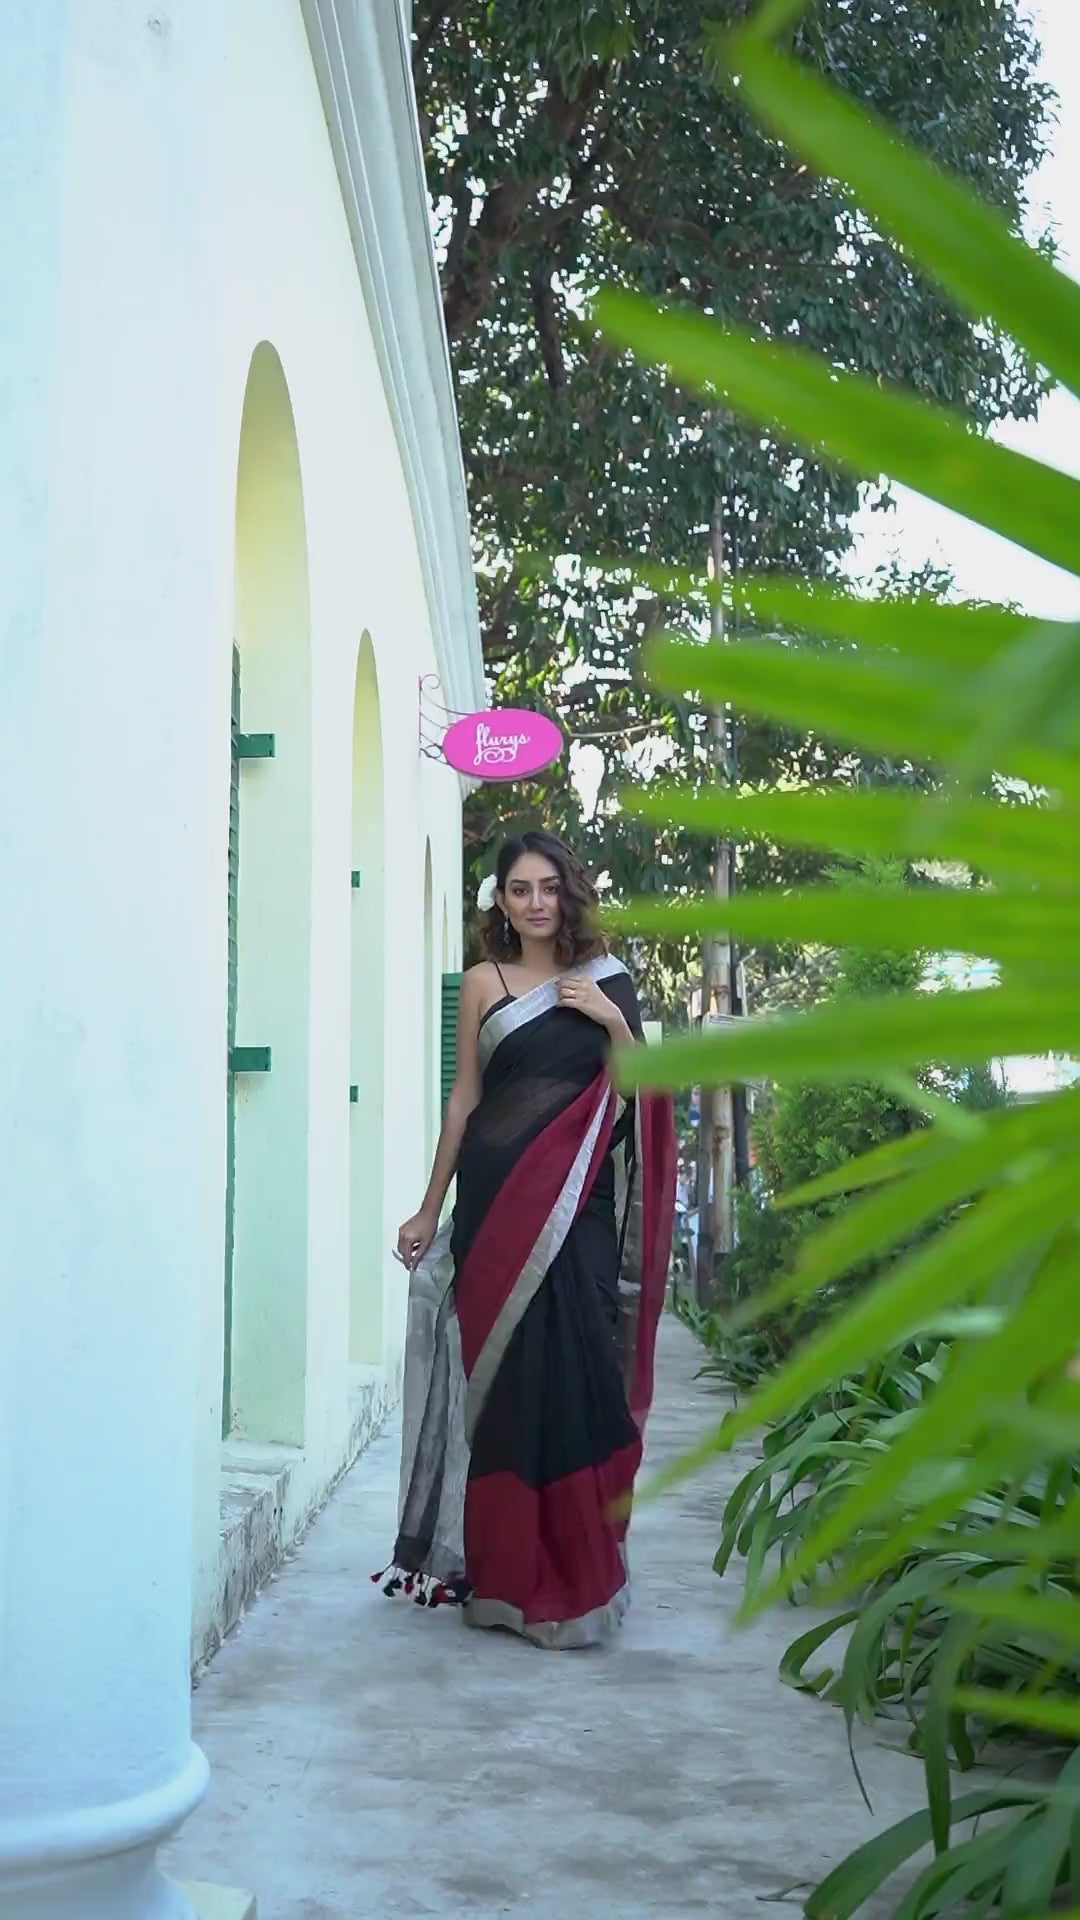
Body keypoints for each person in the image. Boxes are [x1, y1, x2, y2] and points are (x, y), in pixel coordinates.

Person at [376, 829, 676, 1649]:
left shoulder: (609, 981)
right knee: (508, 1390)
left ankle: (581, 1579)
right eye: (519, 890)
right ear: (501, 903)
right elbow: (465, 1102)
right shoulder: (485, 982)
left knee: (582, 1378)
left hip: (577, 1208)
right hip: (494, 1206)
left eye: (548, 887)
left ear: (567, 892)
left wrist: (612, 1022)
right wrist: (429, 1208)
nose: (536, 903)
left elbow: (641, 1093)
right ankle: (507, 1582)